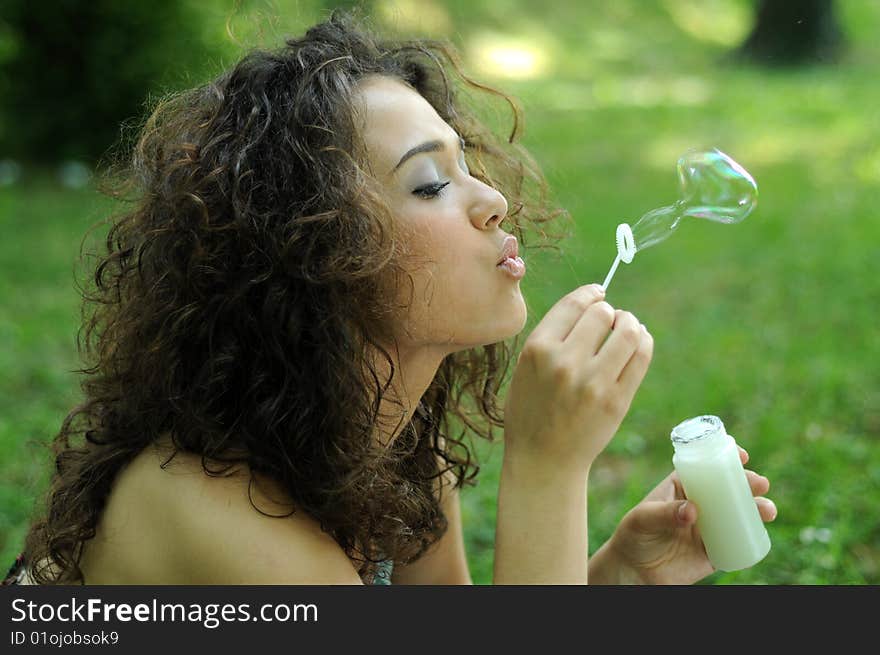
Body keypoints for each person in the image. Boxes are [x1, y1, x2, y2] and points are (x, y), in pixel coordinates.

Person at [5, 11, 776, 586]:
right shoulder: (216, 512)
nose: (494, 201)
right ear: (314, 252)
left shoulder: (387, 434)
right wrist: (547, 469)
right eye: (432, 182)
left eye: (466, 163)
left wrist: (620, 579)